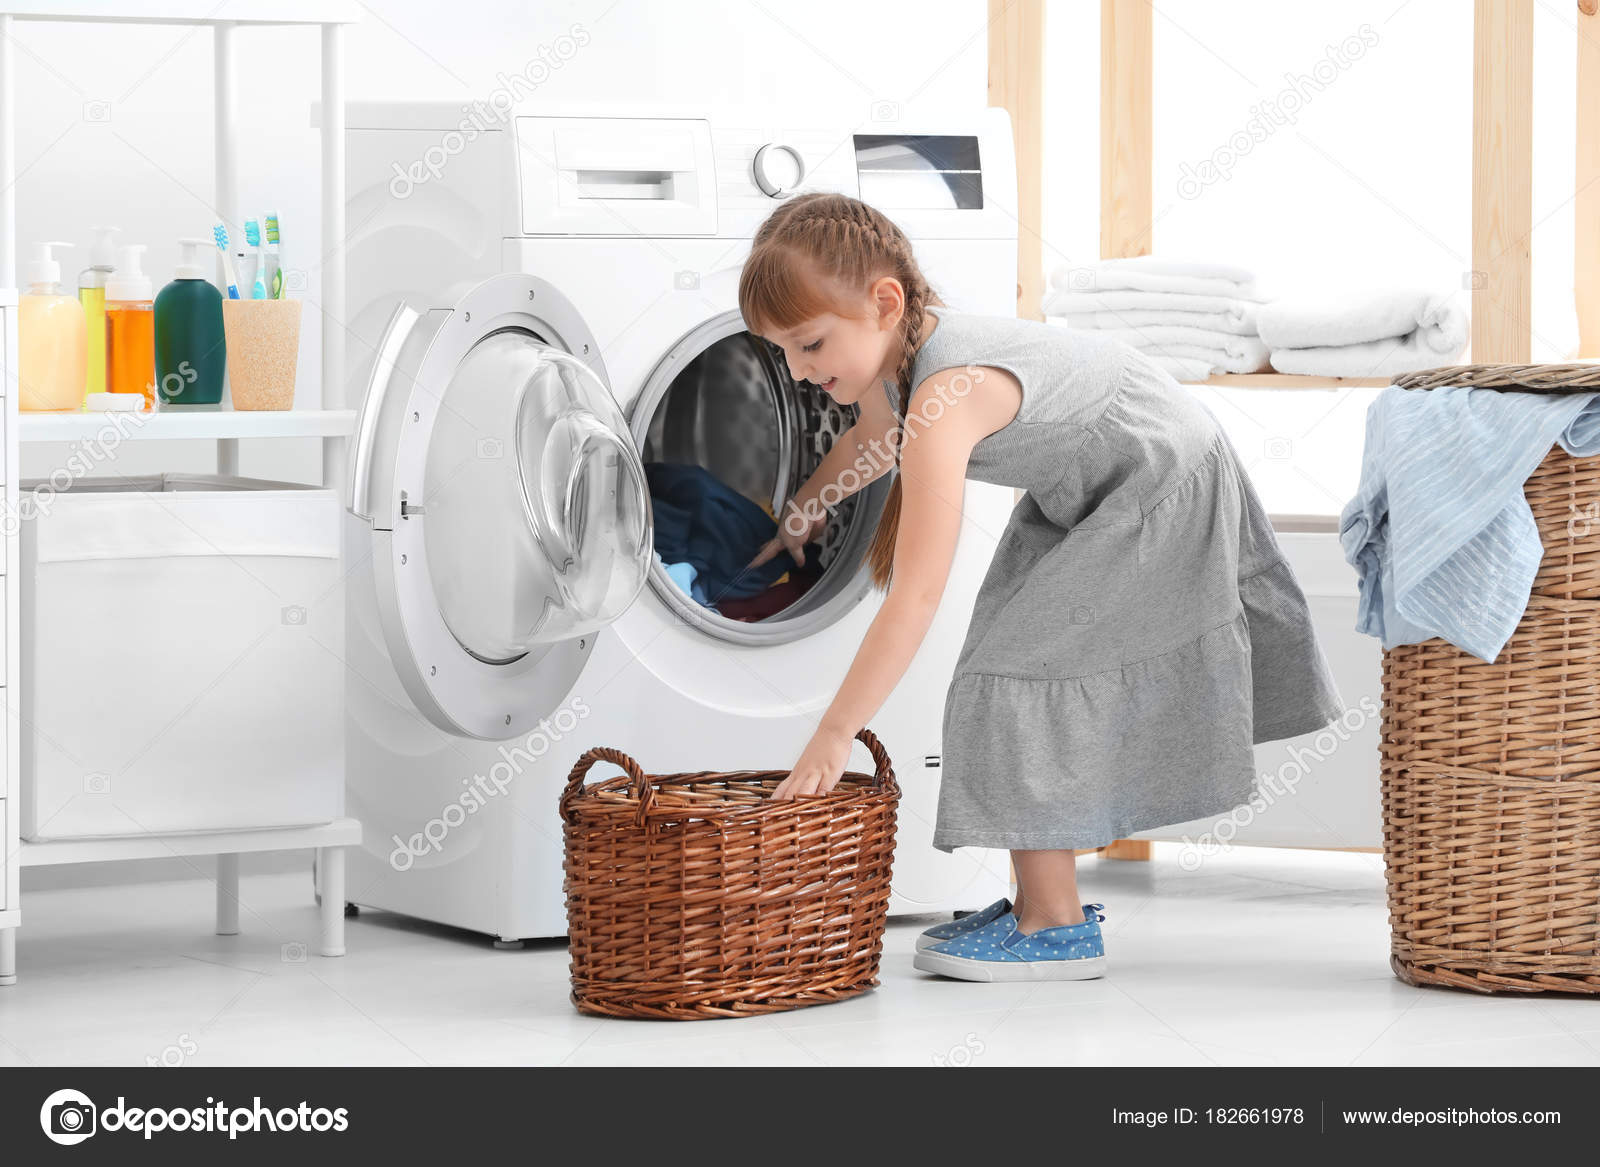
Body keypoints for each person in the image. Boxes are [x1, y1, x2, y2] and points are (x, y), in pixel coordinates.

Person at [737, 193, 1342, 982]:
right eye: (783, 353)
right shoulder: (911, 358)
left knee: (1011, 676)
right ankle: (1038, 900)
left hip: (1157, 482)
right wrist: (803, 513)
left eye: (810, 343)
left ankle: (1055, 924)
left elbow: (917, 594)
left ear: (884, 302)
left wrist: (834, 730)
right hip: (1093, 489)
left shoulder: (946, 394)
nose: (799, 370)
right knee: (1006, 663)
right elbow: (869, 440)